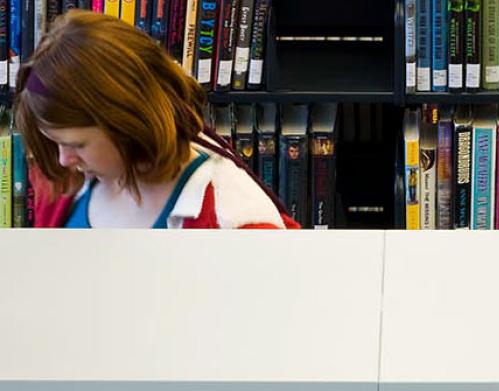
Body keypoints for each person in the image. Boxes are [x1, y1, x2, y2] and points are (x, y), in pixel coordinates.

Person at [18, 10, 297, 229]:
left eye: (77, 144)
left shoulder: (233, 216)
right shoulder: (65, 180)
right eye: (54, 141)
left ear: (127, 122)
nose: (63, 159)